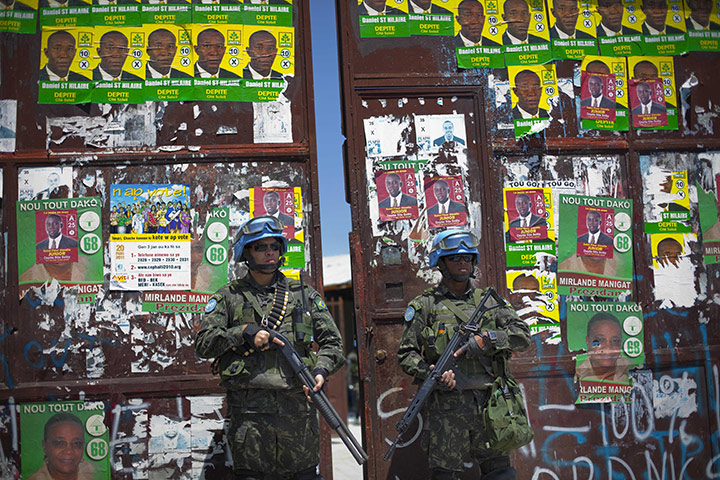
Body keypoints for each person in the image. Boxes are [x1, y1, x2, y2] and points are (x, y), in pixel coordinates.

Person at [195, 216, 344, 480]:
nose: (269, 252)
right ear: (246, 252)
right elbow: (204, 343)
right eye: (261, 247)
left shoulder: (302, 294)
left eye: (274, 246)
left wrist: (320, 370)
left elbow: (333, 342)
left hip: (297, 411)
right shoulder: (229, 296)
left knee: (304, 476)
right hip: (250, 417)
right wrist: (242, 333)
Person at [397, 229, 531, 480]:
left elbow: (523, 335)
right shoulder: (426, 305)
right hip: (448, 408)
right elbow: (406, 354)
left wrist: (488, 339)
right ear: (441, 263)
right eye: (455, 258)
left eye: (468, 258)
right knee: (445, 474)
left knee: (500, 472)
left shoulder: (489, 302)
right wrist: (432, 373)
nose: (463, 263)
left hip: (491, 405)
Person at [27, 413, 96, 480]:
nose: (69, 451)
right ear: (45, 446)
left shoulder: (97, 473)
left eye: (77, 443)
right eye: (59, 443)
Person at [575, 313, 630, 382]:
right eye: (600, 340)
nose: (608, 349)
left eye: (615, 341)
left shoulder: (631, 368)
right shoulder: (575, 376)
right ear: (587, 341)